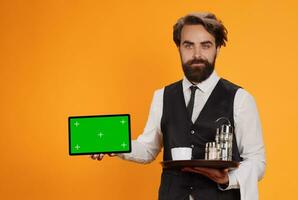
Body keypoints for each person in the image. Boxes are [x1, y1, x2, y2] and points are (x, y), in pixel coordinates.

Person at [91, 12, 266, 200]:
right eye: (188, 45)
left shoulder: (240, 99)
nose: (197, 54)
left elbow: (257, 162)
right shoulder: (162, 96)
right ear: (179, 48)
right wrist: (112, 144)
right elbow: (148, 148)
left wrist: (227, 179)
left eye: (206, 45)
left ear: (217, 49)